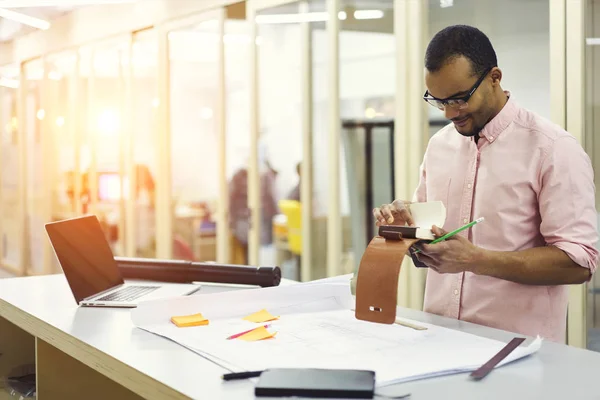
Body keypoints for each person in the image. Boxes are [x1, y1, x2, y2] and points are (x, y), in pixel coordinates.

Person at [373, 25, 598, 343]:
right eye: (438, 101)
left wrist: (476, 259)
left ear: (495, 77)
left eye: (460, 99)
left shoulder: (552, 148)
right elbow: (431, 244)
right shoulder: (440, 145)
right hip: (439, 341)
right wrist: (407, 233)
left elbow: (579, 264)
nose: (450, 113)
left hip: (518, 357)